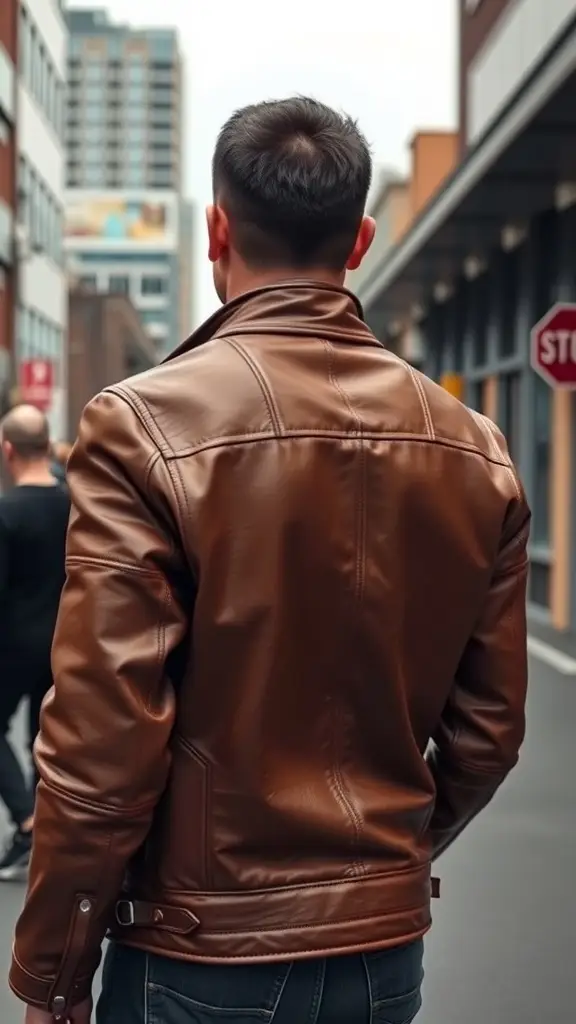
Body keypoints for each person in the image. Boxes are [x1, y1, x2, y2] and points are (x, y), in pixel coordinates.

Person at [11, 97, 530, 1024]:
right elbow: (488, 733)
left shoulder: (139, 427)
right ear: (360, 240)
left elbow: (102, 742)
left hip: (197, 952)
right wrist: (382, 868)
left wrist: (52, 973)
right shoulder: (477, 448)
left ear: (217, 230)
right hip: (383, 961)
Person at [0, 405, 69, 882]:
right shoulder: (75, 506)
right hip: (65, 642)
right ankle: (46, 831)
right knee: (45, 738)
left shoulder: (6, 512)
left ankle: (27, 821)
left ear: (8, 450)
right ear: (47, 445)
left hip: (12, 645)